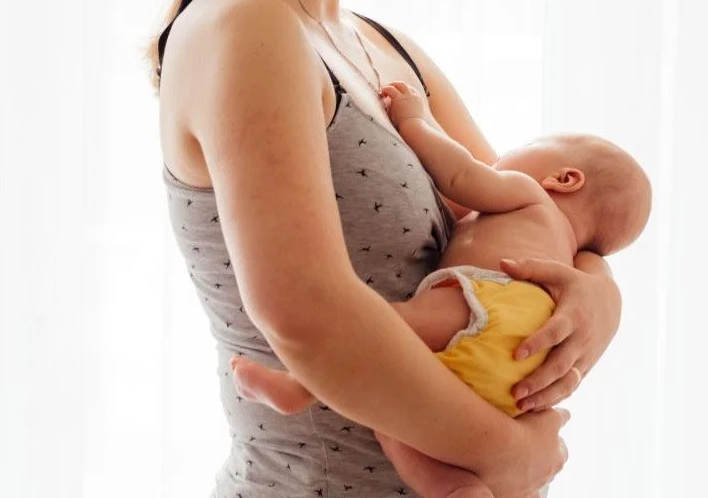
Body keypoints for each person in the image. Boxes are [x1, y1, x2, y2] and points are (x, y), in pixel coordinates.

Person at [150, 0, 626, 495]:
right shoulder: (247, 28)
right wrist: (506, 454)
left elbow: (524, 217)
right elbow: (306, 317)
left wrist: (598, 295)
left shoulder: (379, 46)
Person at [230, 81, 653, 497]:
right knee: (393, 411)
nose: (502, 155)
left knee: (383, 332)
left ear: (563, 178)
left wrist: (416, 120)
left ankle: (297, 385)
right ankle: (458, 488)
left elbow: (460, 172)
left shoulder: (529, 195)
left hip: (491, 298)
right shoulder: (565, 249)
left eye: (524, 147)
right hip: (526, 356)